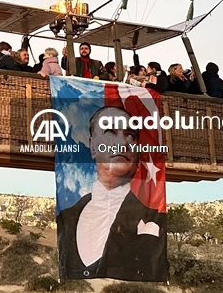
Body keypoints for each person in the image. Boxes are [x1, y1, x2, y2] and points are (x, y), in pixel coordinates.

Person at [56, 106, 166, 280]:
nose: (122, 143)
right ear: (92, 146)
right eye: (109, 132)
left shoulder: (155, 218)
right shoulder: (65, 217)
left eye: (130, 135)